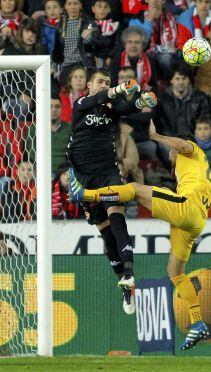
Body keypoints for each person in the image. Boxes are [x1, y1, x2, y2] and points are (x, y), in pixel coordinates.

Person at [68, 119, 211, 351]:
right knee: (175, 272)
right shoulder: (196, 170)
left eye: (171, 151)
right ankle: (197, 323)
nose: (170, 155)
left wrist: (156, 137)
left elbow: (185, 145)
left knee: (135, 189)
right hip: (196, 221)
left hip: (188, 207)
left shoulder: (190, 150)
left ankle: (86, 194)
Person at [67, 67, 157, 314]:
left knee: (116, 215)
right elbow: (98, 99)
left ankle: (129, 271)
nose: (104, 85)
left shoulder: (111, 108)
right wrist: (117, 89)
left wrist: (142, 100)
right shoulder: (81, 104)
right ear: (90, 85)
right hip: (84, 175)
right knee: (104, 231)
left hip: (108, 169)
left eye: (108, 82)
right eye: (100, 82)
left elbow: (127, 108)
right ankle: (124, 285)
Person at [155, 62, 211, 167]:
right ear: (171, 81)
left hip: (194, 139)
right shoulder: (162, 99)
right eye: (177, 78)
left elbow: (204, 120)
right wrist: (176, 142)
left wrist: (191, 140)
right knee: (164, 147)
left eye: (184, 78)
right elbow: (162, 126)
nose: (181, 82)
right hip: (171, 139)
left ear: (189, 80)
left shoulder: (200, 97)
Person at [129, 0, 179, 79]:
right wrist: (149, 20)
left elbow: (171, 46)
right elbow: (139, 45)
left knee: (167, 58)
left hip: (163, 54)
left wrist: (154, 49)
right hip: (143, 53)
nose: (155, 1)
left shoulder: (169, 17)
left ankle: (170, 82)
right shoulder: (137, 19)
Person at [25, 95, 71, 175]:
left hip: (63, 173)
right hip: (40, 172)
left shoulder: (69, 128)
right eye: (50, 106)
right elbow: (30, 153)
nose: (54, 110)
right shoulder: (34, 128)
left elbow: (72, 154)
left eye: (57, 107)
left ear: (61, 109)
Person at [110, 26, 158, 91]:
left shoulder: (150, 60)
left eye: (137, 42)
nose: (133, 46)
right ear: (125, 45)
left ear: (143, 45)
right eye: (129, 42)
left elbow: (154, 85)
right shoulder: (117, 60)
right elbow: (113, 84)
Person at [194, 118, 211, 186]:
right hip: (195, 179)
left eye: (206, 128)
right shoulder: (191, 146)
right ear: (195, 132)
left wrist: (207, 177)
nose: (203, 132)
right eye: (199, 129)